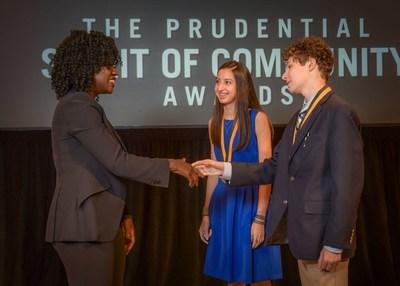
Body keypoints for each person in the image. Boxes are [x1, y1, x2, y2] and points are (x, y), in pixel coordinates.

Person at [193, 37, 364, 286]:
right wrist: (225, 168)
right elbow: (272, 167)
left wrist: (335, 243)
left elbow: (348, 186)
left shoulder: (339, 112)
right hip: (305, 240)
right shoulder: (299, 117)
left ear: (311, 64)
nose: (284, 75)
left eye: (289, 67)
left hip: (325, 241)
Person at [45, 30, 200, 286]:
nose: (114, 71)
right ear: (87, 66)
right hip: (83, 226)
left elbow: (99, 168)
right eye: (107, 65)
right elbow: (118, 161)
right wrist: (172, 165)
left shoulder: (86, 105)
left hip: (99, 223)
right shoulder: (77, 106)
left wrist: (123, 215)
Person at [199, 60, 282, 285]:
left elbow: (267, 172)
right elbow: (213, 174)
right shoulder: (213, 123)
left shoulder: (258, 119)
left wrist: (260, 218)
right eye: (217, 81)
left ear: (241, 86)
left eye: (228, 82)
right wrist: (206, 214)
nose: (220, 87)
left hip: (252, 204)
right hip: (224, 205)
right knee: (232, 278)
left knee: (259, 277)